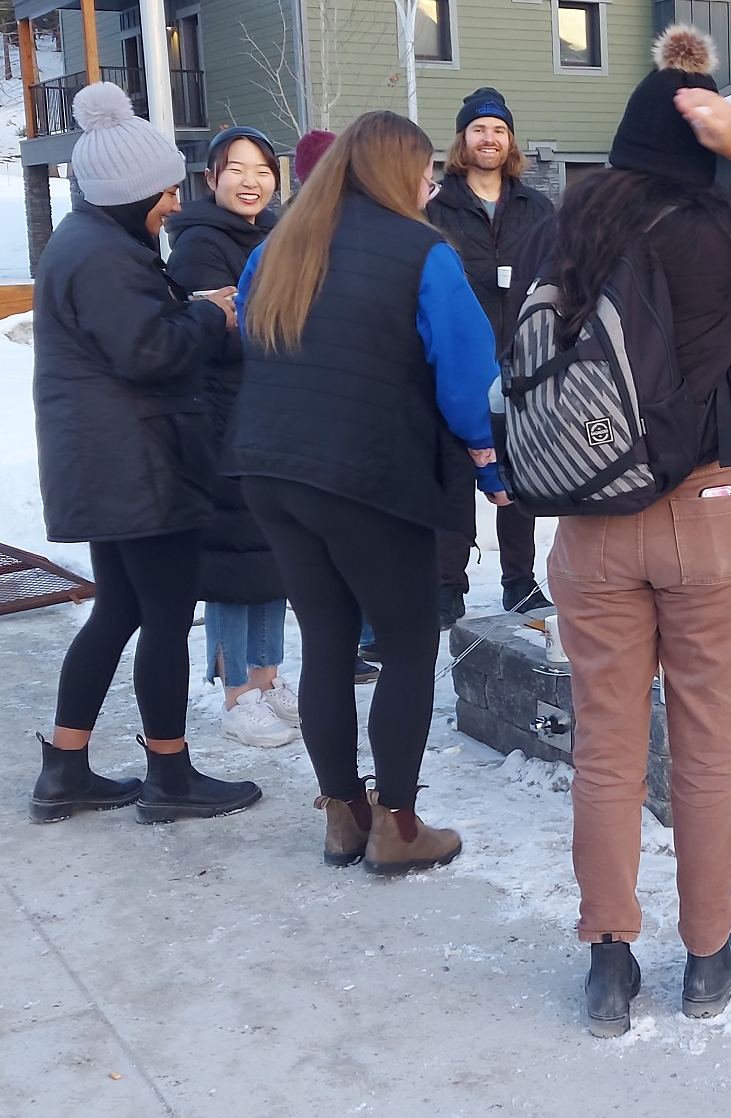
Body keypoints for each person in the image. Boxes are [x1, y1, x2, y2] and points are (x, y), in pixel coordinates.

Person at [525, 25, 731, 1037]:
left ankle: (608, 961)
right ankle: (708, 954)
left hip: (589, 521)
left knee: (607, 751)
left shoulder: (564, 225)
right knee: (708, 751)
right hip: (704, 514)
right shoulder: (718, 235)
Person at [227, 111, 507, 876]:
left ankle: (343, 816)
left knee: (325, 642)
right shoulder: (423, 252)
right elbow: (467, 380)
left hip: (271, 471)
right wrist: (492, 470)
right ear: (394, 173)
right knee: (409, 646)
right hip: (368, 475)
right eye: (425, 171)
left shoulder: (279, 246)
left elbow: (251, 342)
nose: (432, 184)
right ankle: (398, 826)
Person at [29, 80, 261, 825]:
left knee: (120, 611)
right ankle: (170, 774)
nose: (173, 202)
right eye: (164, 191)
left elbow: (133, 336)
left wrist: (190, 309)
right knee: (163, 616)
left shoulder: (93, 242)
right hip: (139, 467)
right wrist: (211, 318)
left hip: (111, 465)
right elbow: (147, 351)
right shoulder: (104, 256)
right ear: (130, 192)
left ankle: (66, 769)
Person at [165, 127, 300, 748]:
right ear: (211, 179)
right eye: (236, 169)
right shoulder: (199, 246)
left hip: (270, 416)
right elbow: (221, 331)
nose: (251, 181)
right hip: (220, 420)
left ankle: (269, 681)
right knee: (229, 560)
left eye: (263, 170)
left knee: (271, 554)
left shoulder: (278, 236)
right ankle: (237, 689)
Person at [426, 88, 556, 627]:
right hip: (458, 361)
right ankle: (447, 588)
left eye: (499, 130)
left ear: (510, 141)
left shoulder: (535, 206)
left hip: (522, 358)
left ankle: (519, 583)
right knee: (457, 478)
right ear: (463, 139)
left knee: (519, 476)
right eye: (479, 130)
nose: (490, 139)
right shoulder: (437, 205)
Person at [291, 128, 381, 689]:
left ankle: (356, 640)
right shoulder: (302, 246)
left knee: (345, 554)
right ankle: (350, 641)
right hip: (332, 427)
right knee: (344, 552)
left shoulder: (286, 245)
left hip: (324, 427)